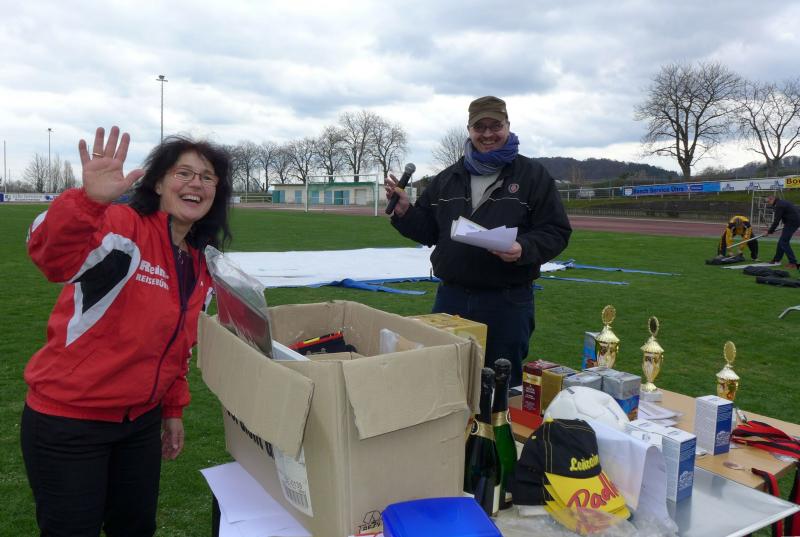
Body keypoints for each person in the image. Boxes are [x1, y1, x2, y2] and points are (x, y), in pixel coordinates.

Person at [21, 125, 233, 537]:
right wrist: (87, 203)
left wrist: (172, 409)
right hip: (70, 422)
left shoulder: (200, 263)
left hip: (139, 426)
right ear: (158, 183)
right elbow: (51, 255)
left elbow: (178, 345)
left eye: (208, 177)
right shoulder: (124, 229)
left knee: (135, 529)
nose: (196, 183)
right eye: (183, 173)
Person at [385, 96, 571, 386]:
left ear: (507, 126)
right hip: (451, 298)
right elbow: (429, 232)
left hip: (507, 302)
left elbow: (556, 231)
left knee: (500, 388)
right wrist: (406, 212)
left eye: (495, 126)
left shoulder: (533, 176)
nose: (487, 134)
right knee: (444, 381)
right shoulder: (447, 178)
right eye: (479, 127)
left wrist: (523, 248)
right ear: (469, 130)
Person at [765, 195, 800, 270]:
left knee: (784, 242)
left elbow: (776, 221)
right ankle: (776, 259)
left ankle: (793, 263)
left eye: (768, 201)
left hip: (792, 223)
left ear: (772, 199)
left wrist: (769, 231)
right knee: (781, 242)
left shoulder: (779, 205)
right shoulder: (782, 202)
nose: (768, 203)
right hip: (792, 222)